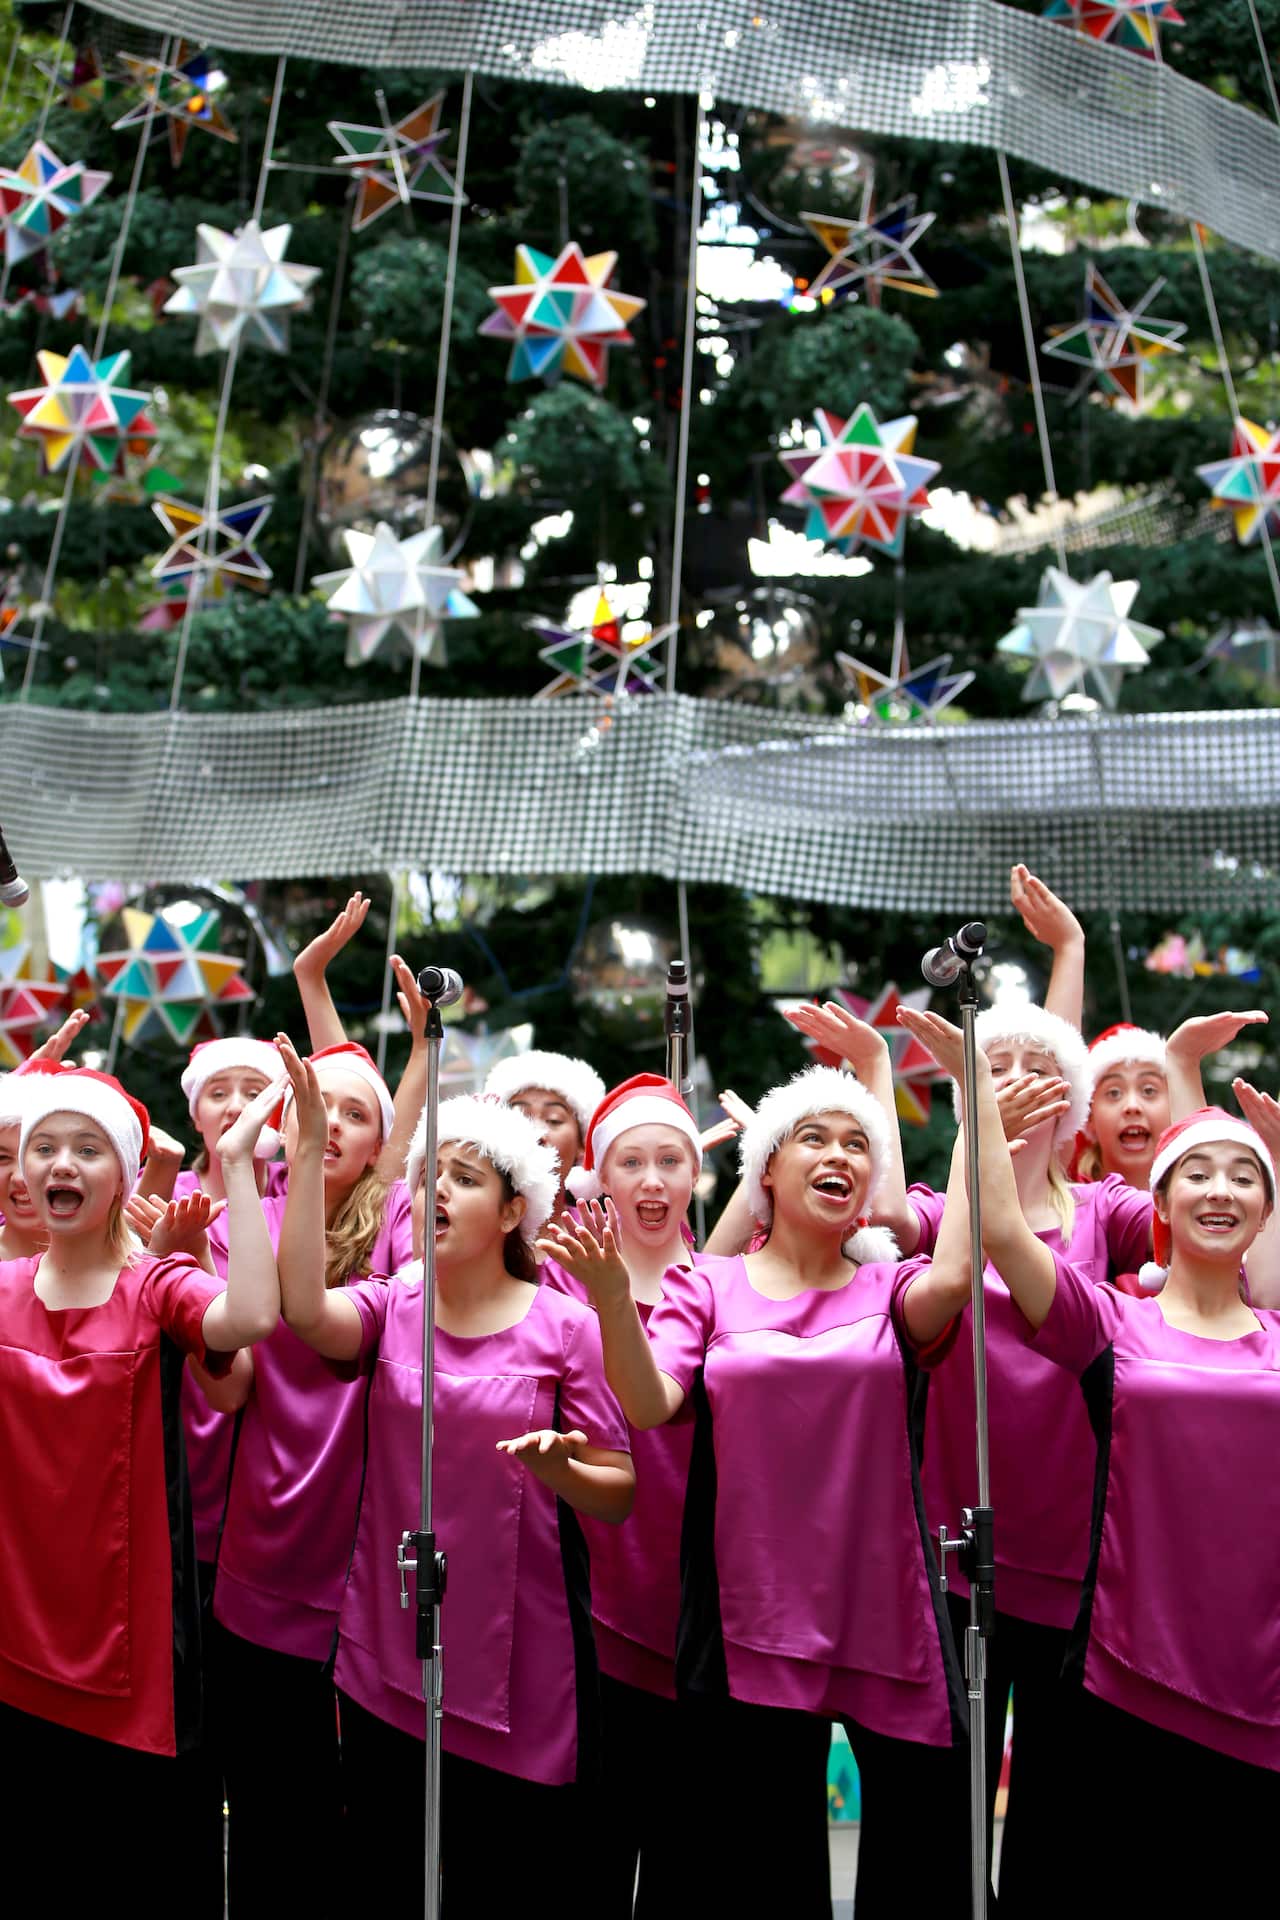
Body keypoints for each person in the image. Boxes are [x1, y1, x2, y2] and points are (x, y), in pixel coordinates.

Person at [545, 1065, 980, 1917]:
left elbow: (957, 1277)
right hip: (748, 1618)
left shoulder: (891, 1288)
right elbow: (648, 1403)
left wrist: (977, 1111)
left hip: (883, 1605)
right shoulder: (707, 1285)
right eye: (814, 1137)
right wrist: (609, 1301)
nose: (840, 1154)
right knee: (758, 1871)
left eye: (857, 1143)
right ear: (766, 1172)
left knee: (927, 1852)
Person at [907, 1010, 1280, 1909]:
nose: (1219, 1191)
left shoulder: (1277, 1335)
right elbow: (1000, 1228)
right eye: (1196, 1175)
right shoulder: (1112, 1323)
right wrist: (980, 1100)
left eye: (1244, 1178)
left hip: (1259, 1672)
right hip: (1128, 1656)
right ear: (1154, 1205)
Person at [274, 1039, 633, 1917]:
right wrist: (312, 1155)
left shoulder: (567, 1326)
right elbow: (306, 1315)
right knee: (387, 1869)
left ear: (515, 1211)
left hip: (527, 1655)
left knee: (507, 1879)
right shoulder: (393, 1302)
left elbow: (618, 1486)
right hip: (389, 1641)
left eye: (466, 1179)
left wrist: (565, 1469)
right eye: (430, 1172)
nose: (437, 1189)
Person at [0, 1060, 281, 1916]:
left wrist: (237, 1165)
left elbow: (251, 1318)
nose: (61, 1164)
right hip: (14, 1642)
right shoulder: (2, 1289)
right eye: (43, 1147)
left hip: (137, 1646)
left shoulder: (156, 1287)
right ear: (18, 1173)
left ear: (123, 1176)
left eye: (87, 1148)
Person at [895, 1000, 1152, 1914]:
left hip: (1076, 1554)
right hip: (955, 1553)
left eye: (1030, 1072)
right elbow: (889, 1220)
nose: (1011, 1086)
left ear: (1068, 1102)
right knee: (945, 1803)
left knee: (1060, 1813)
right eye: (989, 1070)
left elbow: (1209, 1221)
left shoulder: (1106, 1211)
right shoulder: (935, 1212)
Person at [213, 1039, 413, 1917]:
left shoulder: (409, 1217)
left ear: (380, 1143)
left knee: (381, 1824)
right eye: (311, 1104)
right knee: (272, 1816)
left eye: (354, 1112)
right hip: (263, 1555)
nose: (330, 1123)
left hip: (381, 1570)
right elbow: (229, 1379)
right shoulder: (235, 1222)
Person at [544, 1074, 703, 1916]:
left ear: (694, 1176)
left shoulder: (720, 1287)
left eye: (669, 1160)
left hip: (691, 1616)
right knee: (586, 1857)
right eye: (630, 1161)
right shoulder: (555, 1285)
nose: (650, 1181)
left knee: (685, 1856)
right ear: (596, 1176)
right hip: (582, 1610)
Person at [484, 1048, 605, 1221]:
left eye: (553, 1119)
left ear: (582, 1145)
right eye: (521, 1116)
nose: (537, 1133)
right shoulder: (465, 1231)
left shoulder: (612, 1234)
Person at [1074, 1024, 1169, 1190]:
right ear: (1089, 1118)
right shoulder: (1064, 1204)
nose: (1132, 1106)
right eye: (1114, 1093)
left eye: (1148, 1090)